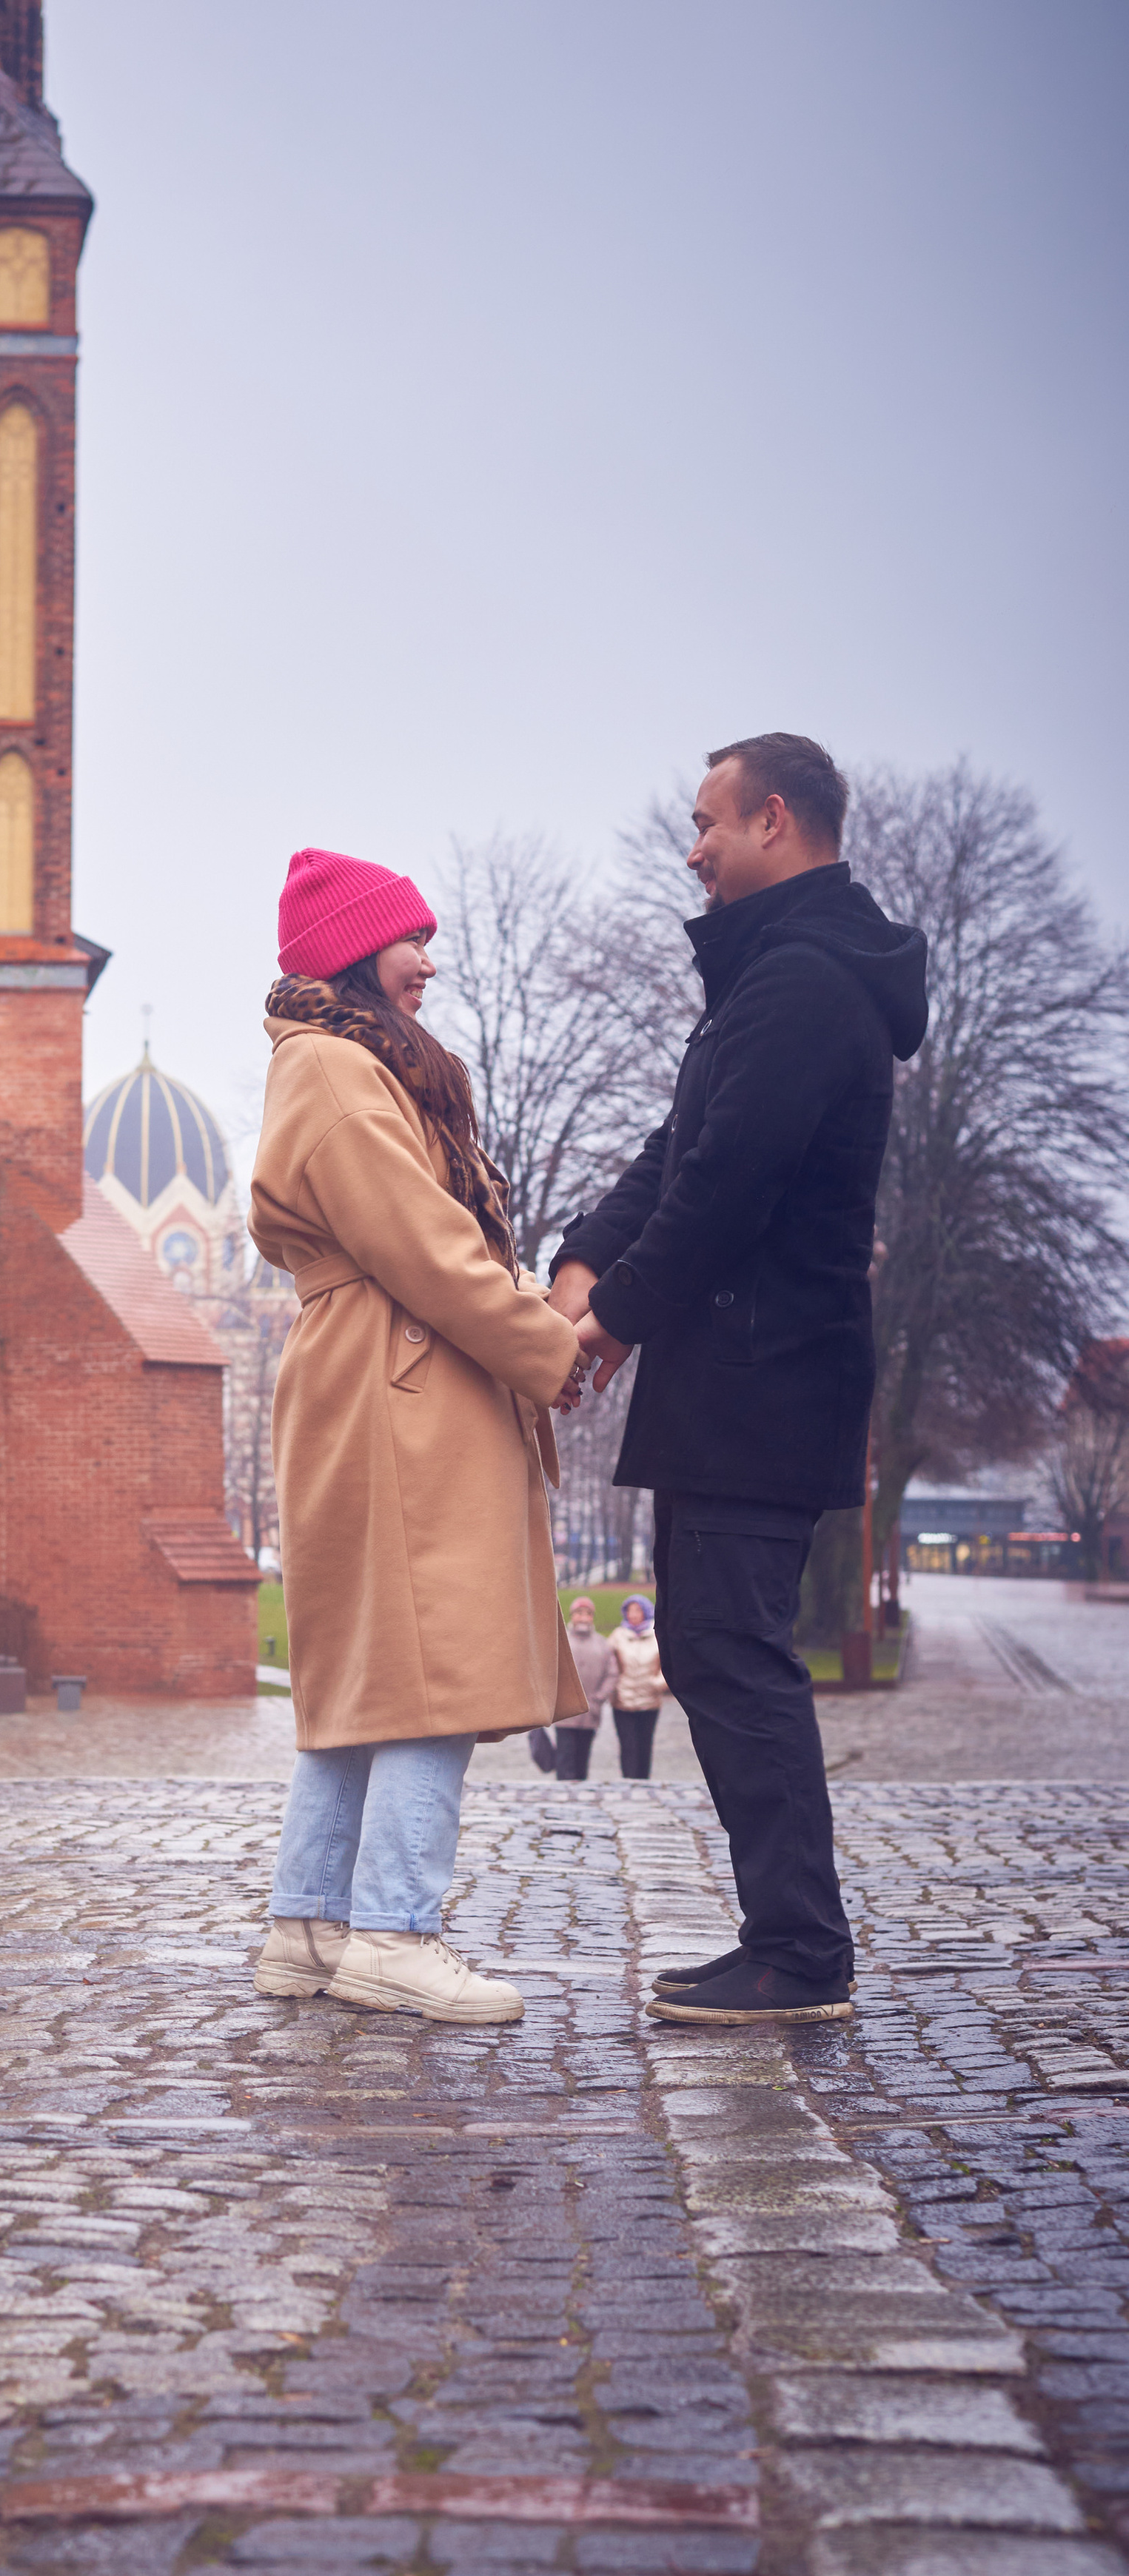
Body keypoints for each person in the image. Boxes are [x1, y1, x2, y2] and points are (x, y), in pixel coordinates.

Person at [547, 734, 927, 2027]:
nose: (692, 849)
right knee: (718, 1648)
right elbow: (677, 1152)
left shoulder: (806, 984)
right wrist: (584, 1258)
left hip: (765, 1379)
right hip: (744, 1379)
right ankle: (789, 1938)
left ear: (774, 819)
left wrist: (609, 1323)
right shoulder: (778, 978)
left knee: (729, 1651)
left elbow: (725, 1188)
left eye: (707, 822)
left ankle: (801, 1951)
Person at [249, 847, 586, 2024]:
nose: (428, 963)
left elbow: (421, 1247)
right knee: (439, 1661)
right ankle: (395, 1930)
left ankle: (309, 1924)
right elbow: (429, 1250)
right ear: (355, 951)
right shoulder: (340, 1070)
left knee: (376, 1671)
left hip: (381, 1375)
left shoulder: (339, 1065)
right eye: (411, 940)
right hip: (403, 1381)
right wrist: (549, 1346)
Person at [555, 1596, 620, 1780]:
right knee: (564, 1756)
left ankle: (581, 1789)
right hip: (565, 1712)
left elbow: (612, 1674)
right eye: (579, 1613)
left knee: (582, 1757)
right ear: (572, 1616)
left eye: (587, 1614)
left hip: (590, 1711)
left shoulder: (602, 1644)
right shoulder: (560, 1640)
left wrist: (598, 1698)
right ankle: (563, 1790)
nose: (583, 1618)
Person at [606, 1594, 666, 1778]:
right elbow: (608, 1664)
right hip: (623, 1701)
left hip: (650, 1701)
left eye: (637, 1610)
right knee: (628, 1745)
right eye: (630, 1611)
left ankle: (643, 1781)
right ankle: (628, 1780)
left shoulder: (657, 1635)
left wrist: (658, 1683)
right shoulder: (618, 1636)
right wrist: (614, 1687)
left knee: (645, 1744)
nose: (633, 1614)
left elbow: (670, 1664)